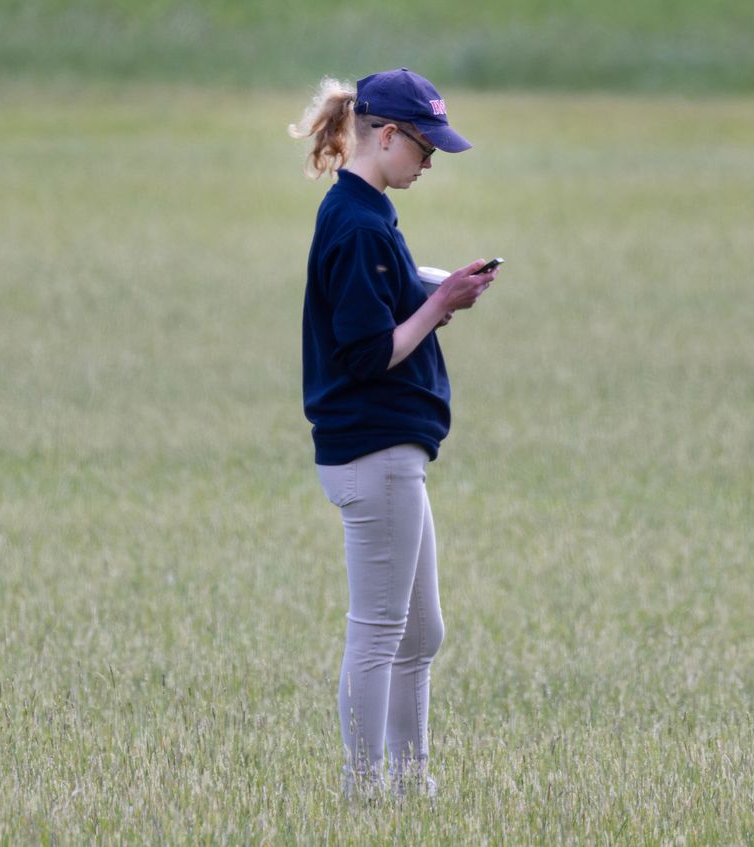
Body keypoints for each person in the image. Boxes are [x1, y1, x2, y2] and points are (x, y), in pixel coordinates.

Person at [289, 67, 499, 800]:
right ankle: (365, 785)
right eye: (424, 144)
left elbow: (387, 291)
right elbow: (369, 350)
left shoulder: (368, 214)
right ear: (385, 136)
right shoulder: (355, 222)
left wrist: (436, 286)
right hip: (373, 450)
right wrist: (440, 300)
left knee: (420, 632)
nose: (431, 159)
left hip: (391, 451)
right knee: (380, 630)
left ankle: (412, 781)